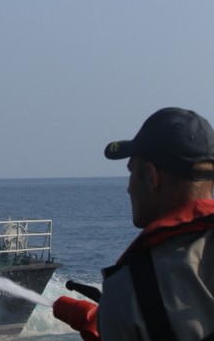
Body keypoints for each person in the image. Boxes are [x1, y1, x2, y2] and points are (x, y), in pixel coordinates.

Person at [53, 107, 214, 341]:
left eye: (131, 172)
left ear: (151, 176)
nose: (129, 188)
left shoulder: (128, 292)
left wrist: (115, 319)